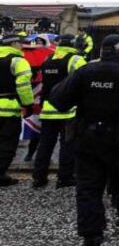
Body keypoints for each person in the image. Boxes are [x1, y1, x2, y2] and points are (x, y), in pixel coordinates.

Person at [50, 34, 119, 246]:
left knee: (88, 186)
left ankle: (92, 235)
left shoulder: (85, 71)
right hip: (118, 138)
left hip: (87, 137)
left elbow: (57, 98)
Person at [33, 34, 86, 188]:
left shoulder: (48, 59)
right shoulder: (76, 59)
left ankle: (39, 177)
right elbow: (83, 82)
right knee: (68, 144)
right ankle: (65, 177)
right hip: (68, 110)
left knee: (45, 144)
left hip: (48, 108)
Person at [0, 35, 33, 185]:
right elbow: (23, 85)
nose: (23, 47)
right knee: (8, 143)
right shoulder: (17, 60)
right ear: (13, 43)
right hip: (9, 108)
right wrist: (28, 104)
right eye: (21, 44)